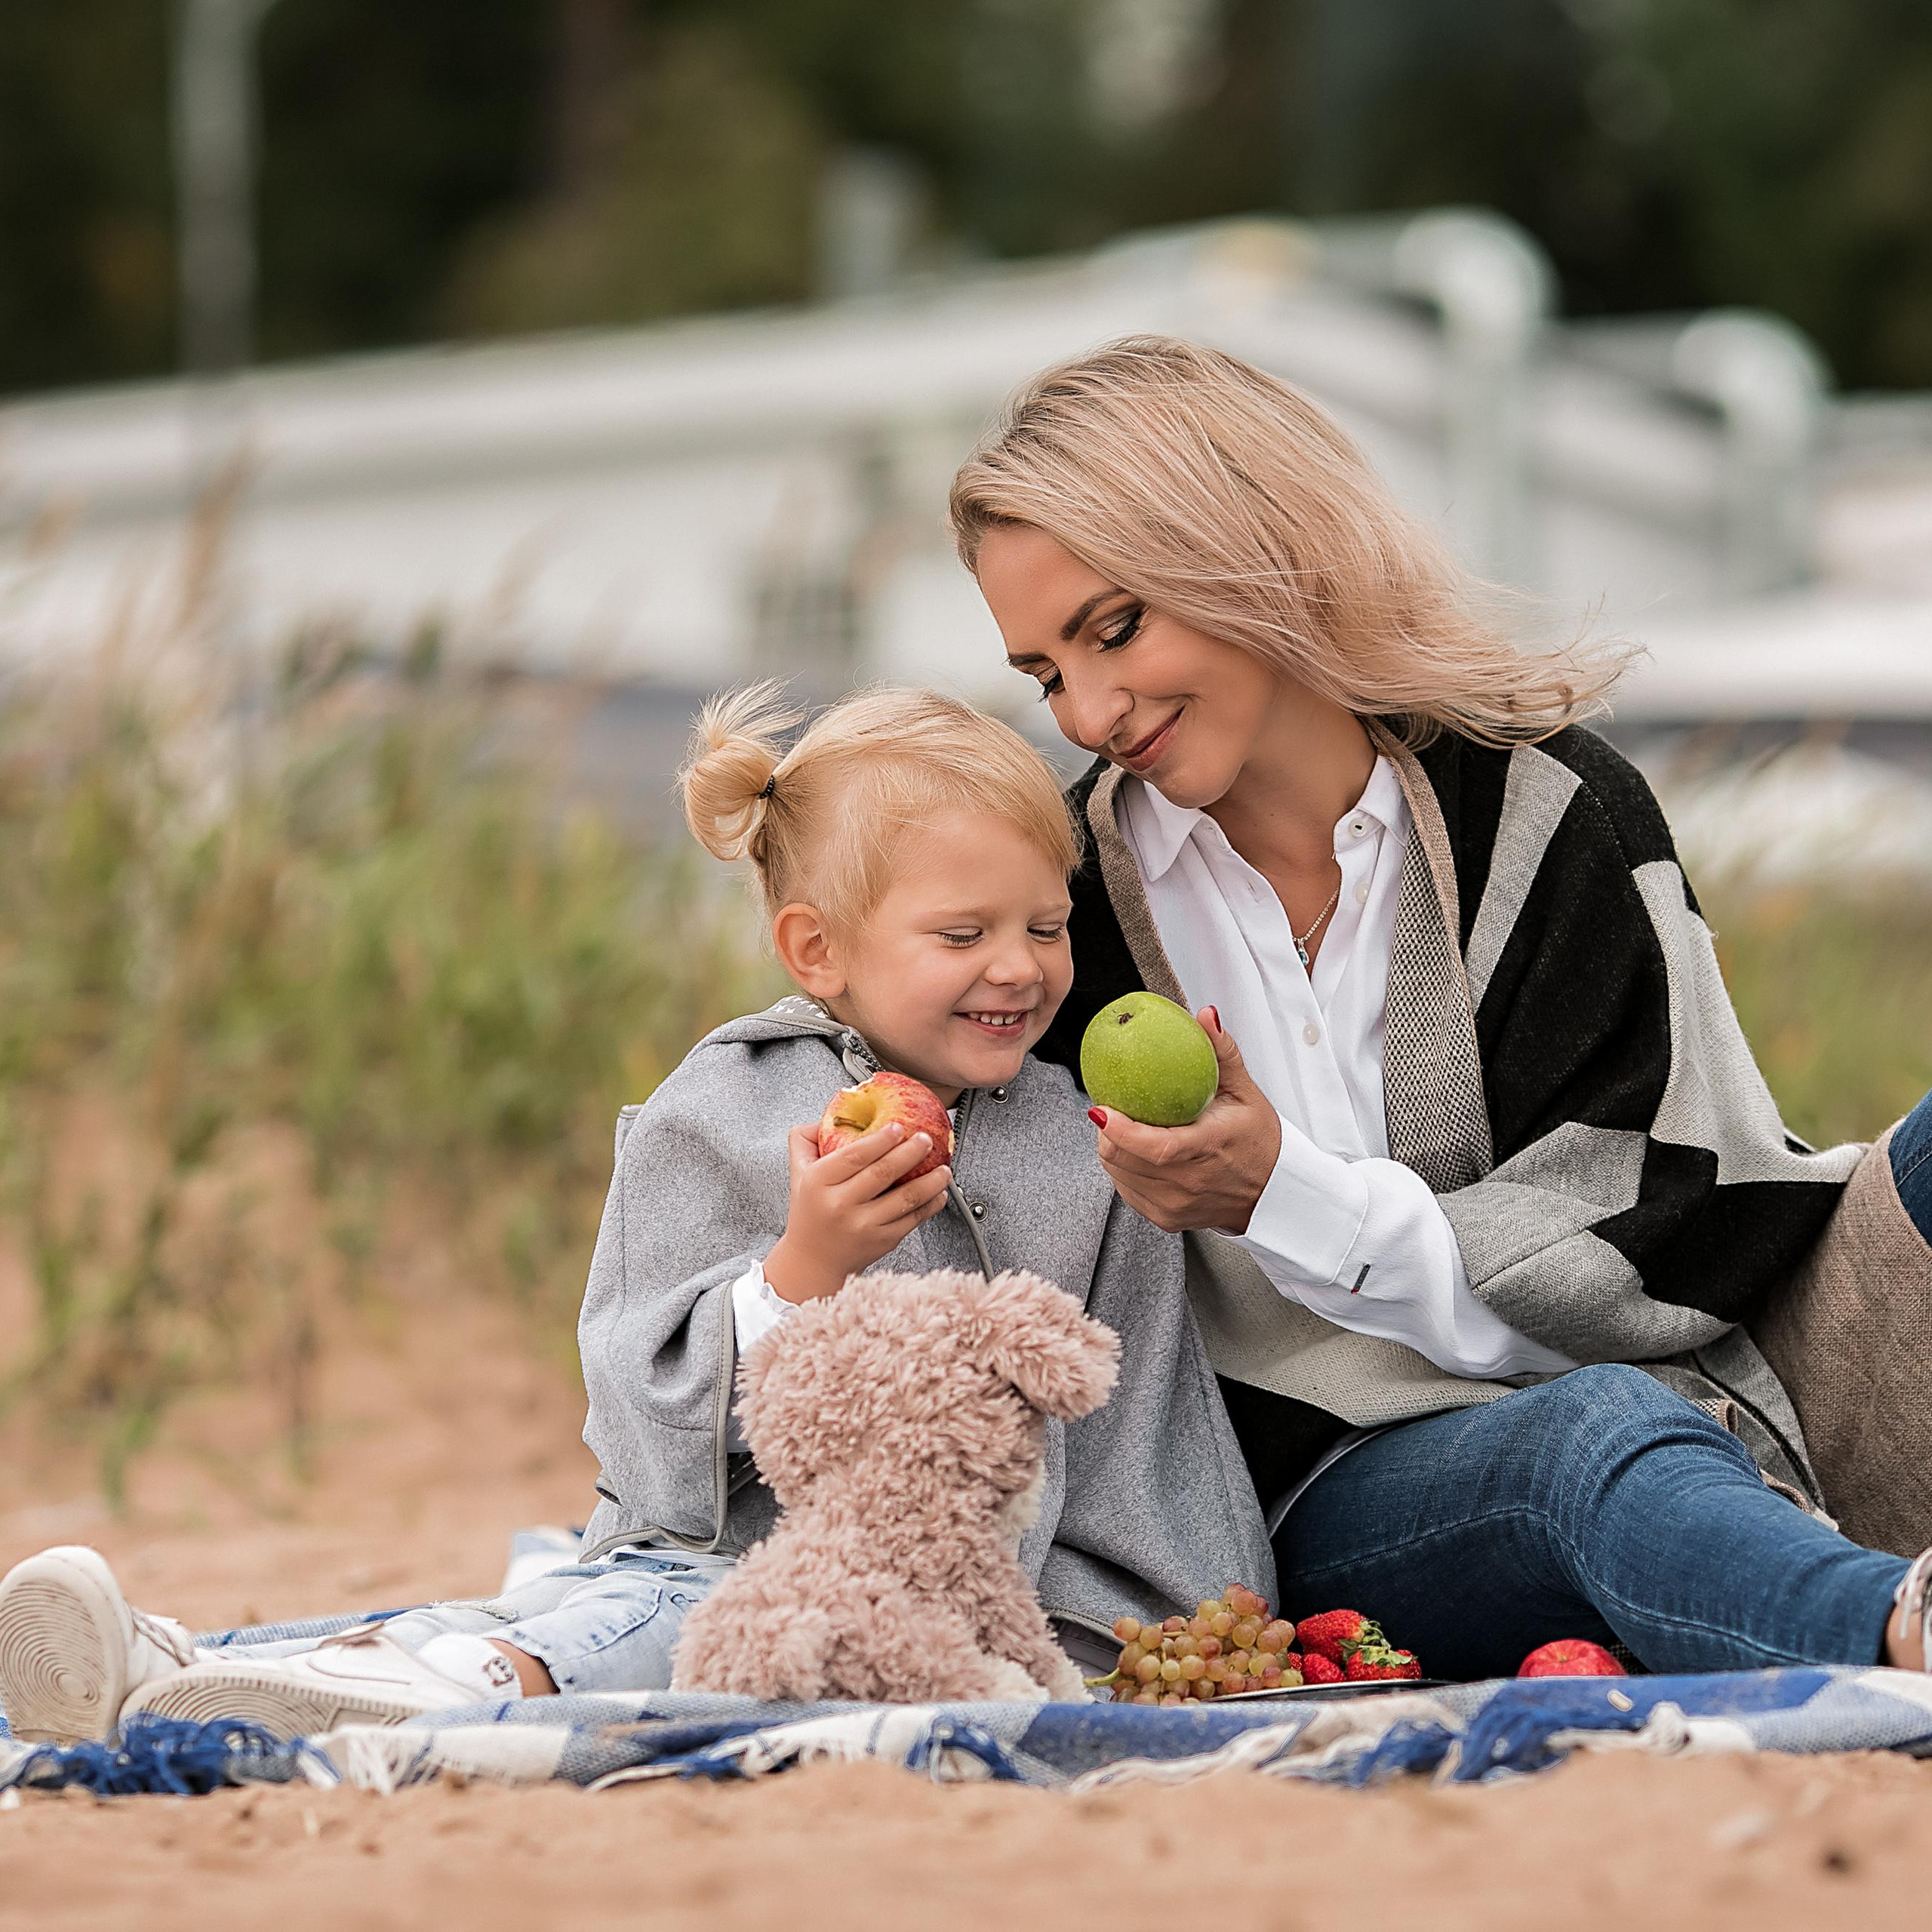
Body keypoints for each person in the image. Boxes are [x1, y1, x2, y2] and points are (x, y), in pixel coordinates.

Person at [0, 684, 1271, 1745]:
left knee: (637, 1629)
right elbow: (640, 1421)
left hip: (982, 1606)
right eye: (964, 931)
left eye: (1048, 925)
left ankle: (268, 1680)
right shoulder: (720, 1108)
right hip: (716, 1559)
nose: (1023, 965)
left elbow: (1139, 1406)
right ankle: (270, 1673)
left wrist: (1166, 1615)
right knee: (639, 1616)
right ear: (817, 950)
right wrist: (804, 1267)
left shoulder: (1084, 1136)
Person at [948, 331, 1932, 1683]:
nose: (1094, 709)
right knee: (1587, 1441)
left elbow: (1683, 1212)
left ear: (1259, 550)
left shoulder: (1548, 804)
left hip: (1716, 1348)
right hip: (1358, 1481)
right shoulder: (1054, 910)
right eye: (1048, 672)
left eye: (1117, 627)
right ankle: (1889, 1626)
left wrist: (1283, 1188)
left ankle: (1773, 1548)